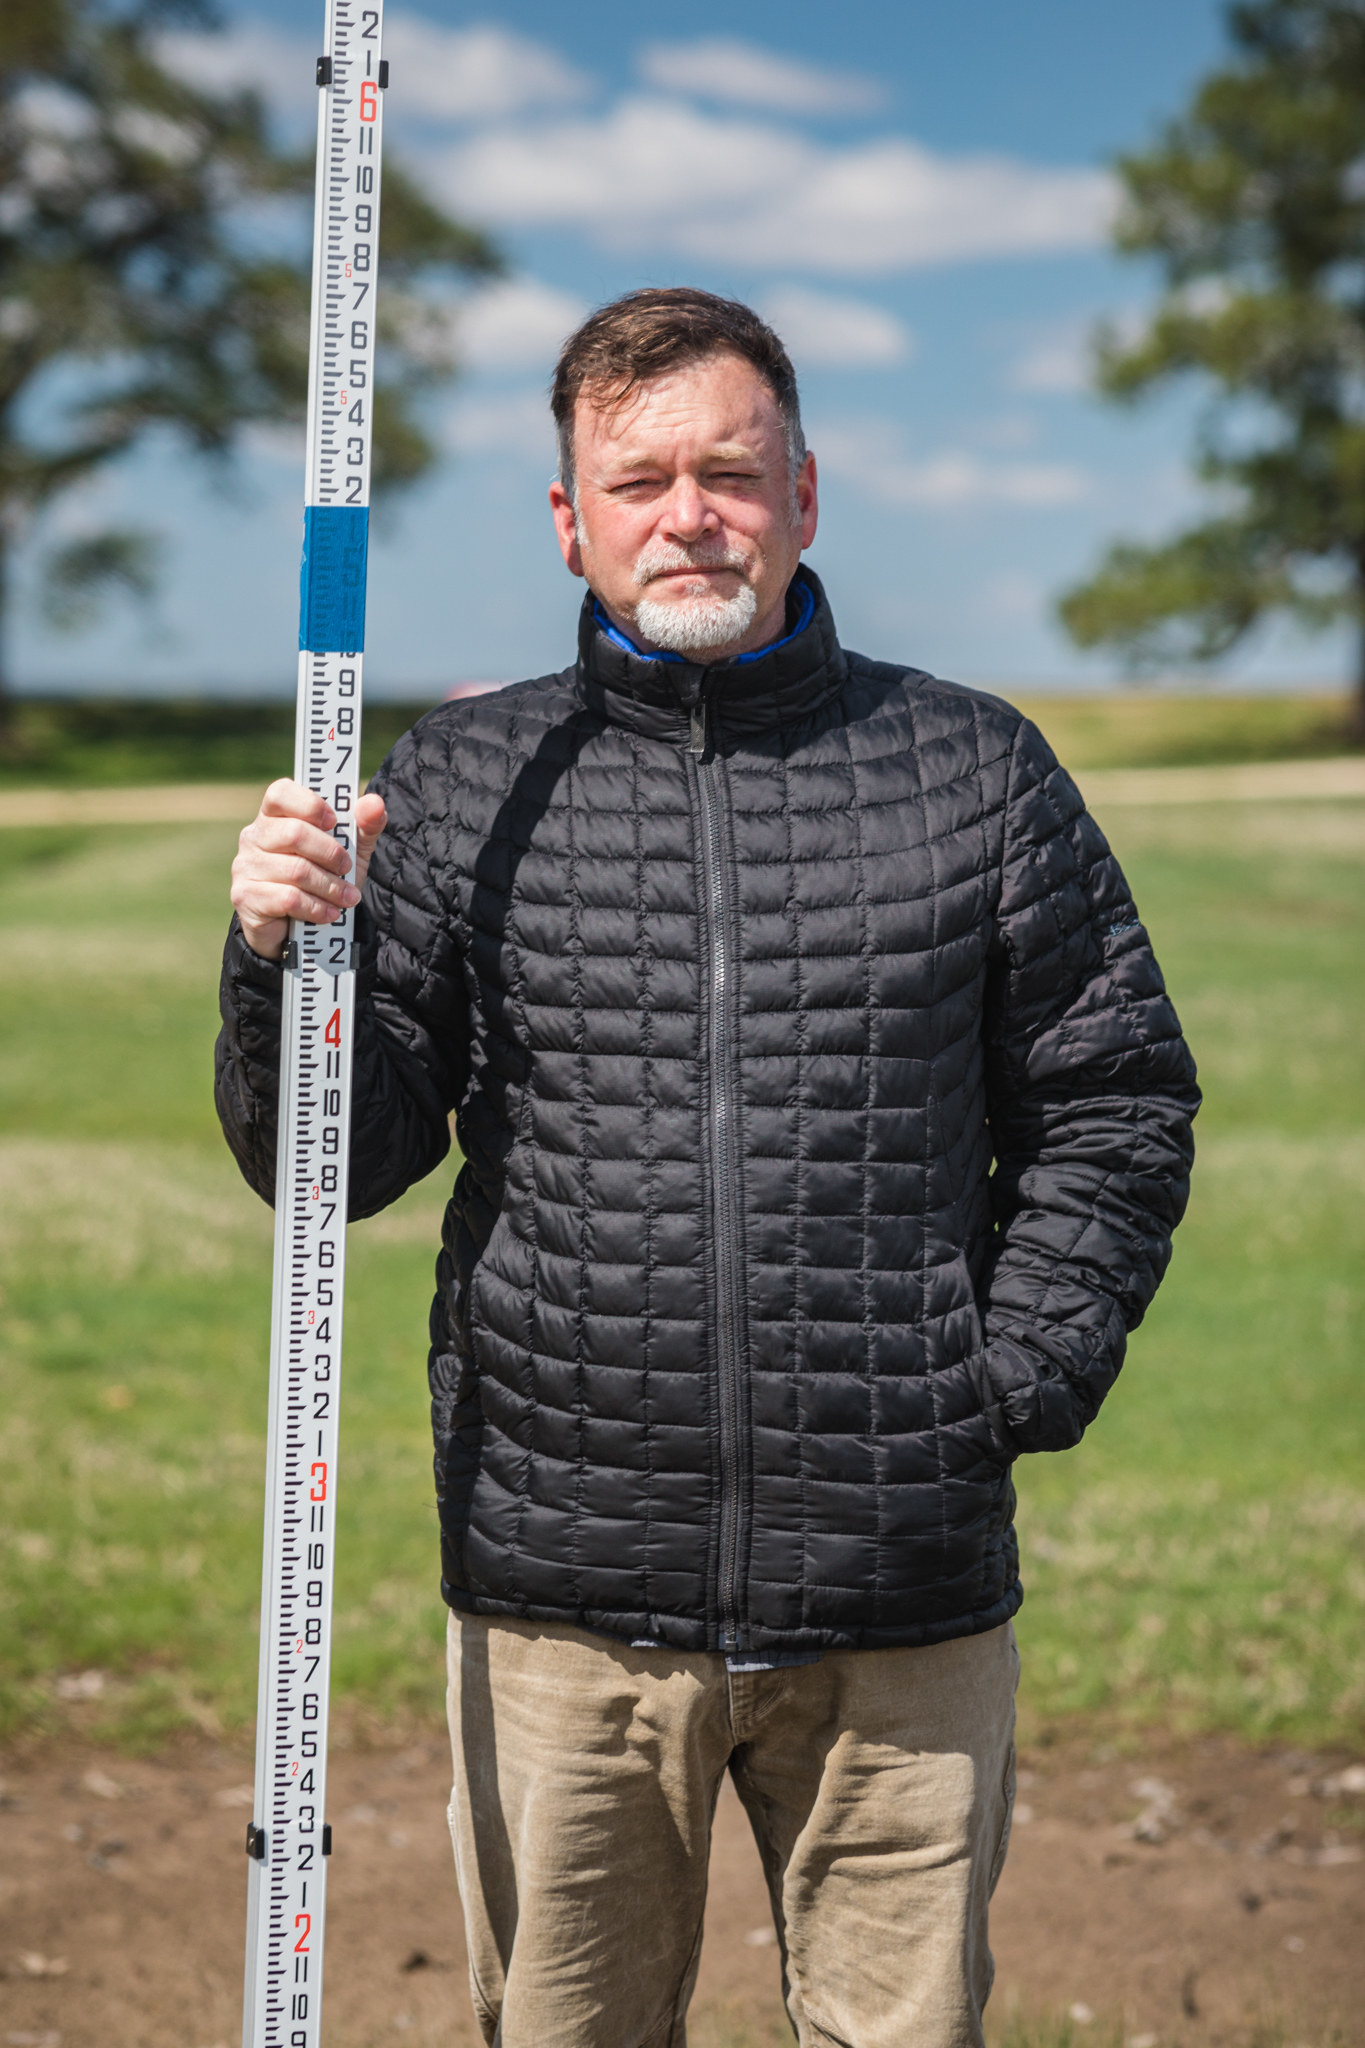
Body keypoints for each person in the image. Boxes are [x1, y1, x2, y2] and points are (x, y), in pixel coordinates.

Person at [217, 287, 1198, 2048]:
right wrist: (284, 956)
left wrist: (1003, 1380)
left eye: (731, 474)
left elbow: (1112, 1095)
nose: (689, 514)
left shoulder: (973, 769)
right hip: (562, 1603)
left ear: (804, 496)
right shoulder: (466, 776)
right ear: (569, 516)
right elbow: (343, 1165)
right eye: (641, 476)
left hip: (901, 1593)